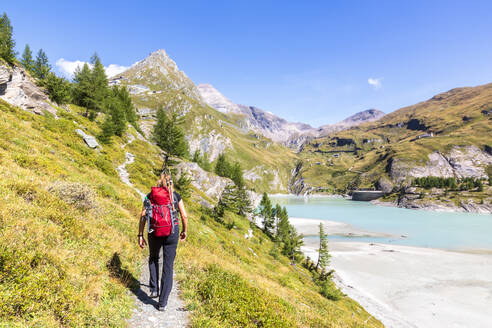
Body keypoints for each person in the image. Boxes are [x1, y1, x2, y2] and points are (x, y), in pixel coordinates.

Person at [137, 171, 188, 311]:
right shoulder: (175, 196)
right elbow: (184, 215)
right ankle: (162, 303)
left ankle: (154, 289)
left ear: (158, 184)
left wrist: (140, 235)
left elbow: (142, 216)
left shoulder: (150, 195)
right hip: (172, 232)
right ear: (171, 184)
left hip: (154, 231)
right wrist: (184, 231)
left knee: (153, 257)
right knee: (168, 265)